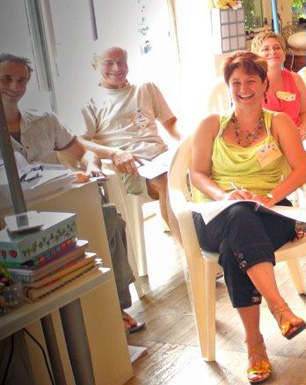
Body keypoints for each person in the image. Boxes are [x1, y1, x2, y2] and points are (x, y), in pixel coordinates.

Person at [1, 53, 144, 333]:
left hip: (64, 202)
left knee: (110, 219)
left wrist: (91, 167)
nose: (14, 86)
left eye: (21, 80)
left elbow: (84, 153)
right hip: (16, 217)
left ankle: (115, 305)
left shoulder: (43, 120)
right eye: (6, 78)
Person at [191, 51, 306, 383]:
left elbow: (302, 171)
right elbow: (197, 174)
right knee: (238, 214)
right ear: (227, 87)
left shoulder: (280, 122)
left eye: (250, 81)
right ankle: (278, 307)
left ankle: (255, 346)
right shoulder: (210, 125)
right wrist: (224, 196)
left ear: (264, 84)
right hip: (215, 213)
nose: (243, 89)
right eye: (235, 83)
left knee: (235, 248)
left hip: (270, 212)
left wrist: (270, 196)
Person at [251, 32, 306, 244]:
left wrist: (300, 129)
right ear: (256, 55)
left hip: (297, 139)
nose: (272, 52)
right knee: (278, 177)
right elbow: (252, 120)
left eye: (277, 47)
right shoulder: (254, 83)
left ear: (284, 53)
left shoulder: (295, 79)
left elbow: (305, 113)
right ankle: (281, 224)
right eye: (266, 49)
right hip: (267, 143)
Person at [81, 46, 180, 230]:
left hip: (162, 156)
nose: (117, 68)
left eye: (121, 62)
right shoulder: (90, 101)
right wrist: (113, 153)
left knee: (201, 171)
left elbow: (172, 124)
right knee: (166, 180)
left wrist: (192, 143)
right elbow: (80, 142)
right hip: (131, 166)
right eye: (109, 63)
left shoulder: (146, 89)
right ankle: (188, 249)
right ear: (94, 66)